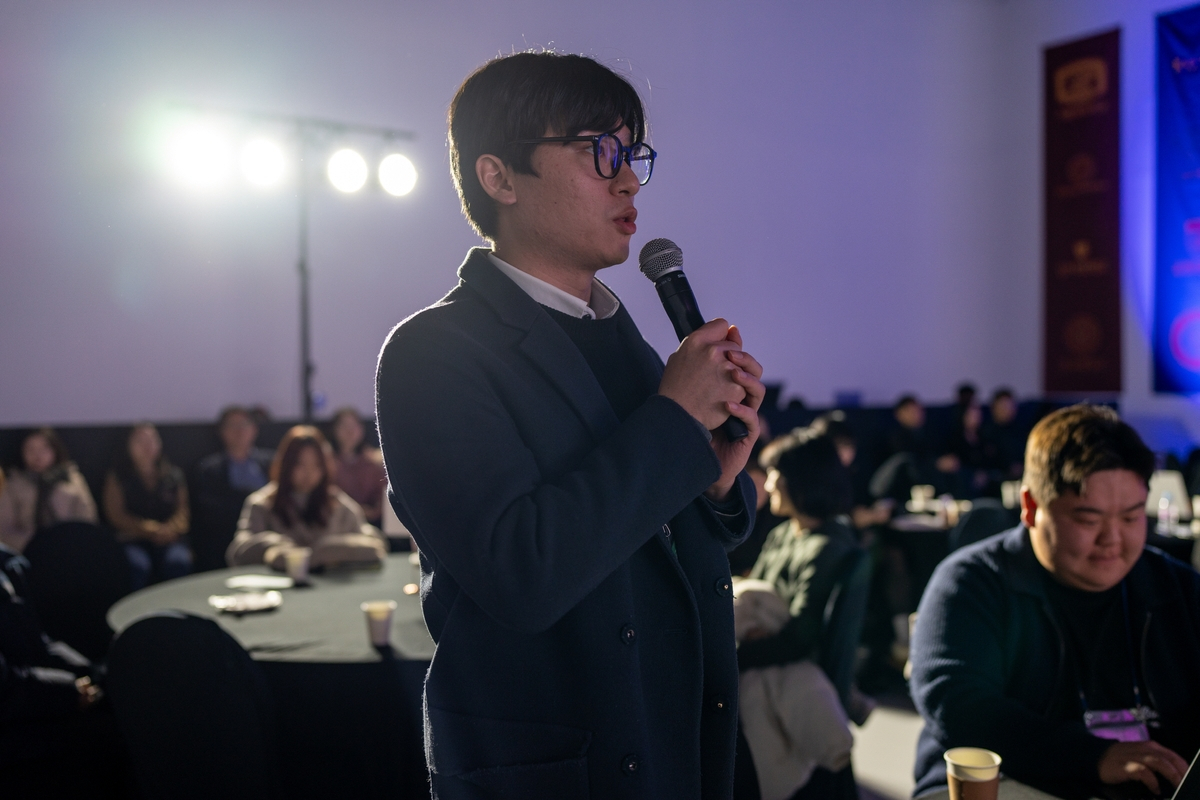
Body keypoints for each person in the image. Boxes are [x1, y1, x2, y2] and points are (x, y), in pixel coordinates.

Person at [375, 52, 763, 798]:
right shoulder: (433, 352)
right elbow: (522, 572)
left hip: (679, 727)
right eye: (599, 151)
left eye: (633, 154)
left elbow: (661, 541)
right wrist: (674, 419)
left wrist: (715, 483)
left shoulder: (627, 339)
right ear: (499, 177)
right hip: (558, 763)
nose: (627, 180)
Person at [911, 405, 1200, 799]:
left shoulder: (1177, 588)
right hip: (1012, 779)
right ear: (1031, 508)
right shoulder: (973, 582)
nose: (1112, 539)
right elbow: (958, 705)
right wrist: (1095, 756)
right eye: (1088, 520)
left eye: (1131, 518)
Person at [226, 425, 385, 570]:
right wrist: (275, 547)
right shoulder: (262, 504)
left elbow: (375, 546)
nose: (309, 474)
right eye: (300, 465)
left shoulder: (338, 504)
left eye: (316, 465)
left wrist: (329, 550)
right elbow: (237, 552)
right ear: (286, 464)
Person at [103, 423, 191, 591]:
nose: (148, 446)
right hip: (132, 539)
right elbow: (116, 515)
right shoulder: (118, 476)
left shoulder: (173, 475)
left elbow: (182, 512)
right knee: (137, 566)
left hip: (169, 539)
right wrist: (149, 529)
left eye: (152, 440)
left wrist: (169, 530)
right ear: (128, 444)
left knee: (178, 562)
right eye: (141, 441)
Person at [189, 406, 274, 572]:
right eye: (233, 425)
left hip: (268, 532)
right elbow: (208, 511)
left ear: (254, 430)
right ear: (222, 432)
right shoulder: (209, 469)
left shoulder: (273, 462)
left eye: (244, 424)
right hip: (227, 537)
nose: (239, 431)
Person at [0, 428, 98, 553]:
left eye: (44, 448)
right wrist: (39, 544)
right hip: (27, 552)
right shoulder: (14, 484)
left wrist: (67, 542)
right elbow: (5, 529)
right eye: (30, 449)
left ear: (55, 449)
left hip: (70, 549)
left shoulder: (71, 480)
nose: (38, 456)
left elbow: (88, 520)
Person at [328, 407, 387, 526]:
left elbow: (382, 497)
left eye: (354, 426)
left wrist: (373, 512)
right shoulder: (328, 462)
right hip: (336, 522)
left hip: (370, 522)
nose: (350, 431)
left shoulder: (373, 462)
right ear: (335, 430)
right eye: (344, 426)